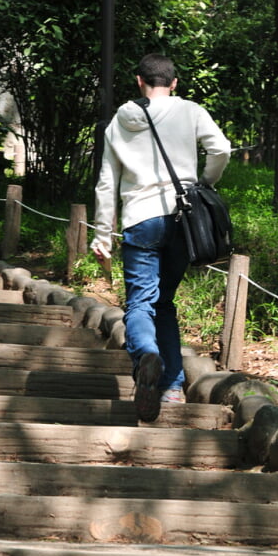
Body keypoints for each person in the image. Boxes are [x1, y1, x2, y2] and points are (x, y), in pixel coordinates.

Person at [91, 53, 231, 422]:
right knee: (164, 302)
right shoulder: (190, 111)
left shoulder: (119, 122)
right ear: (174, 82)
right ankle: (171, 387)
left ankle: (146, 357)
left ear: (139, 81)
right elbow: (221, 149)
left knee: (141, 303)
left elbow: (106, 183)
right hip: (183, 219)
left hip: (140, 219)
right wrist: (203, 183)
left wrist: (102, 234)